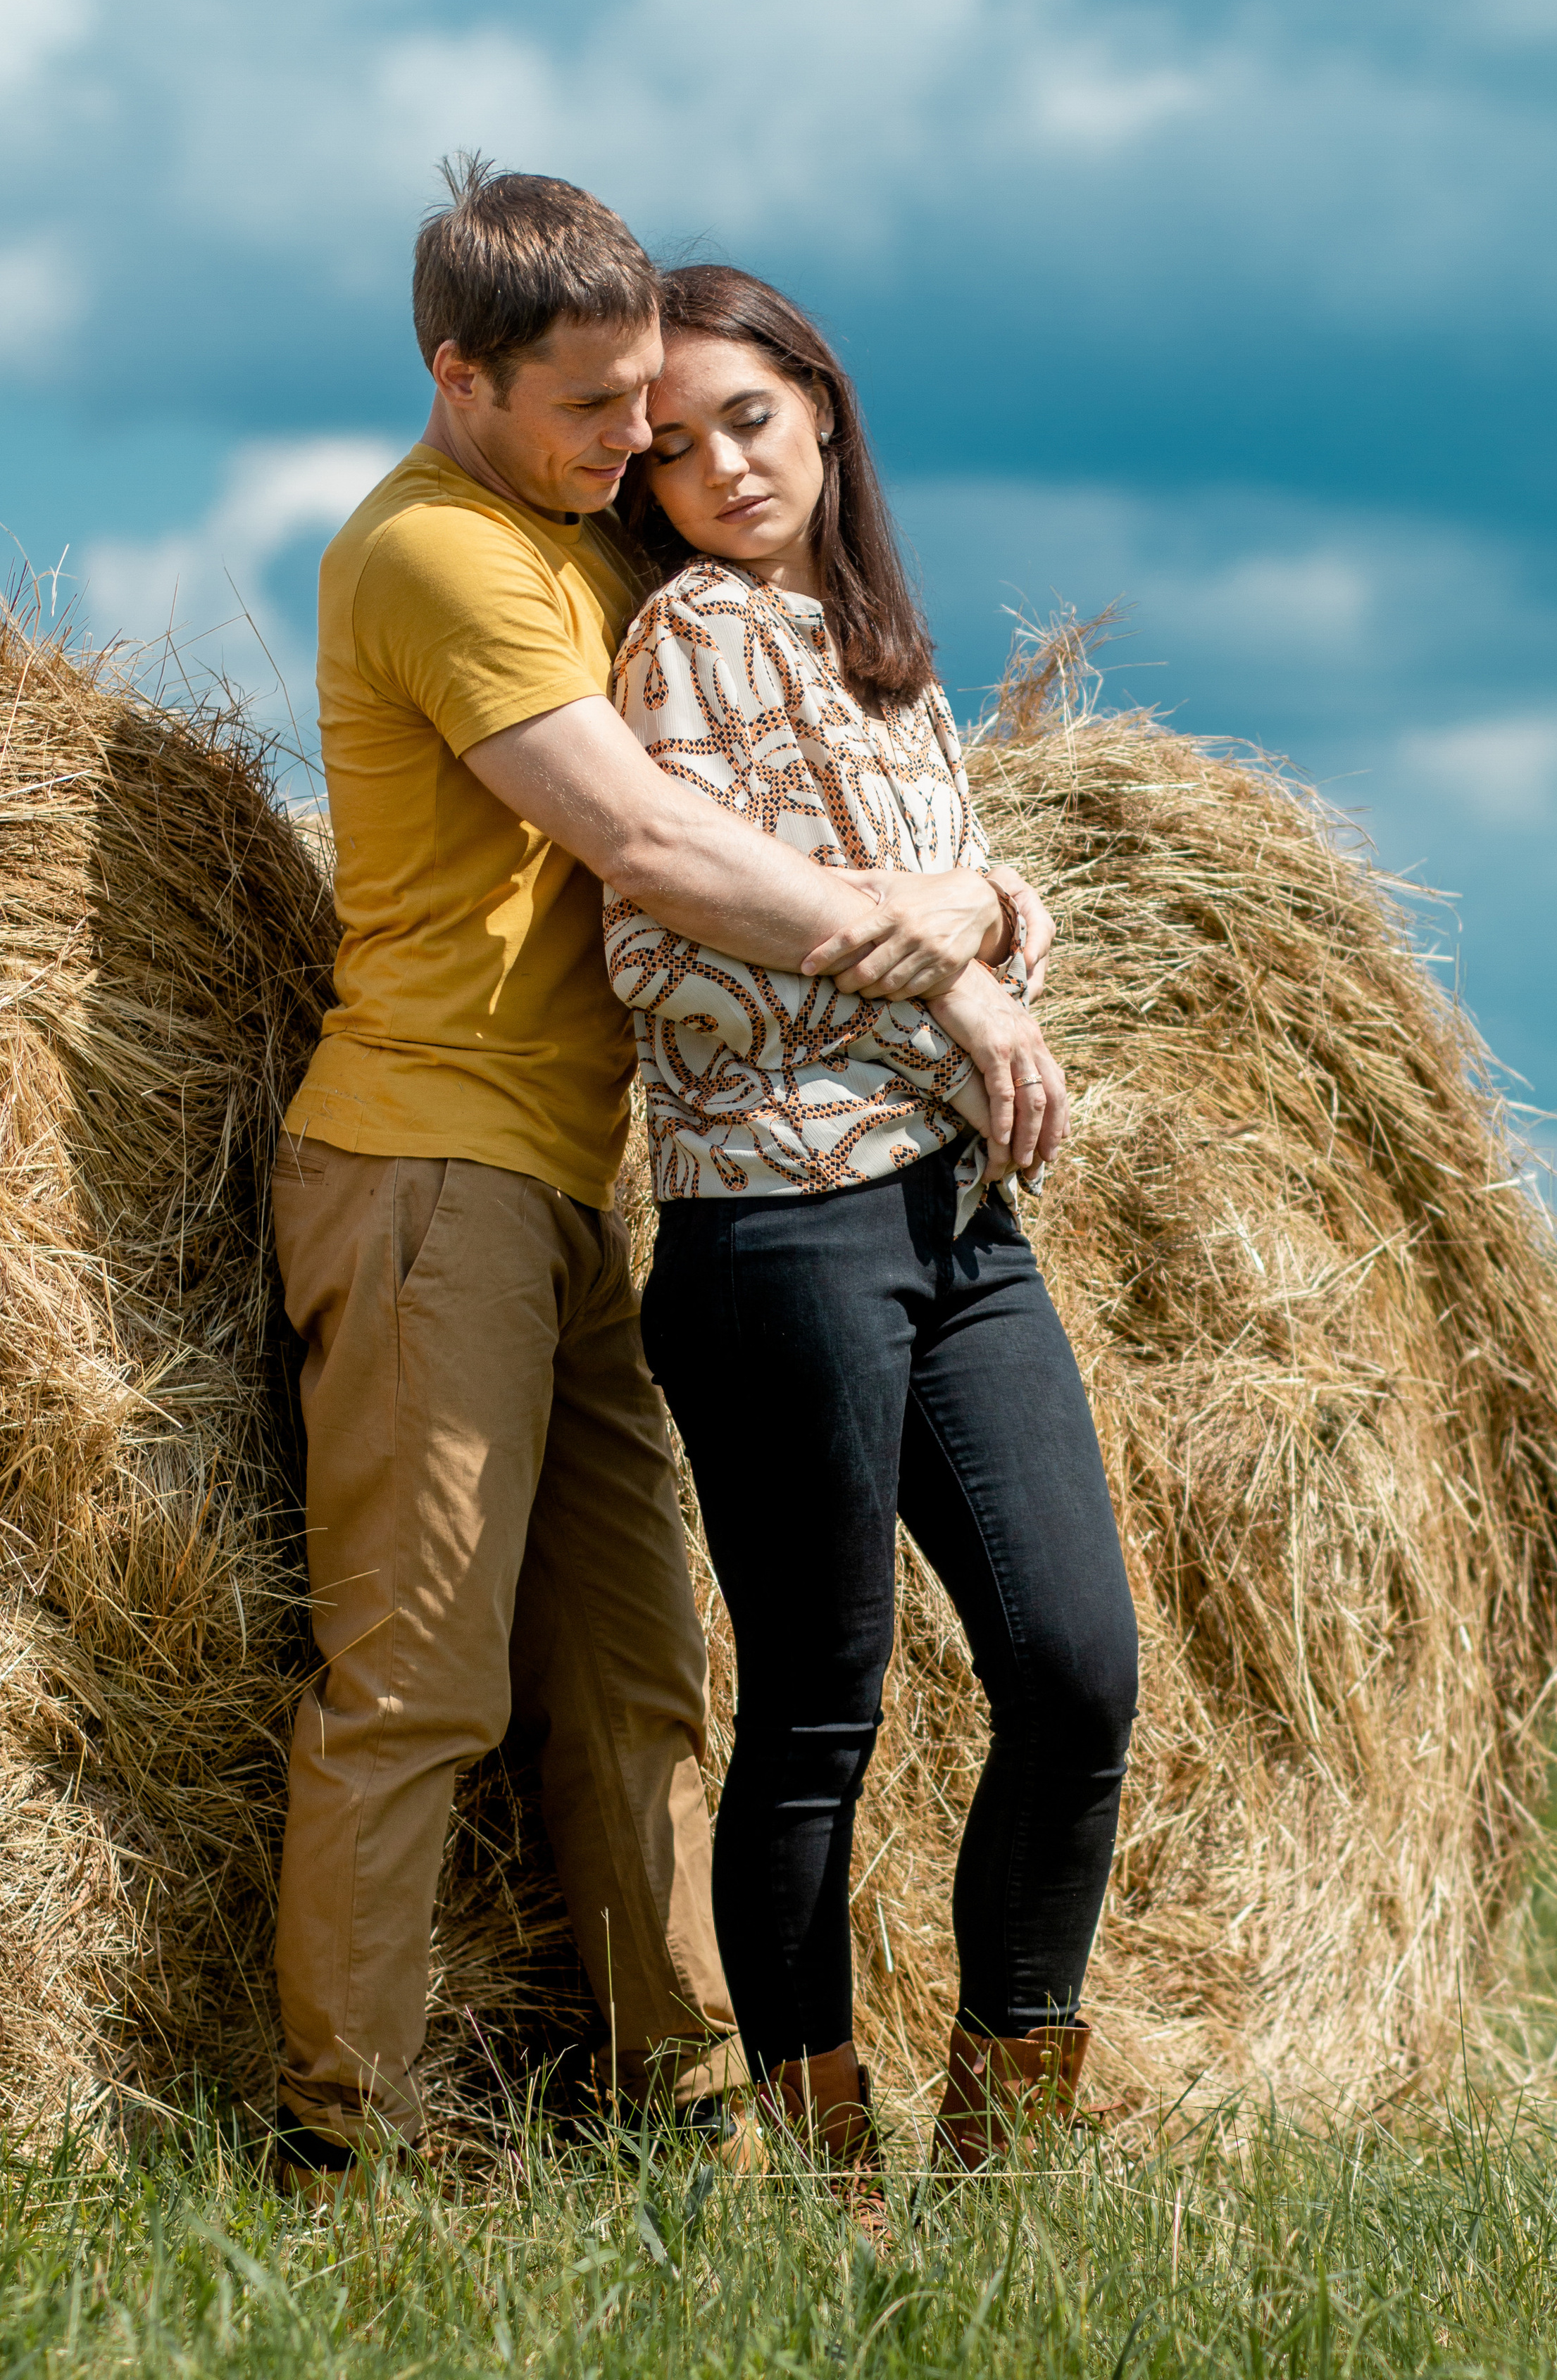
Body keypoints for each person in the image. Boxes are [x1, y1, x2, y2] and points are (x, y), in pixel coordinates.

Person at [272, 161, 1052, 2186]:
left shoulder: (580, 544)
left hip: (574, 1183)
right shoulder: (438, 557)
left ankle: (682, 2104)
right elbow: (660, 849)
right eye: (597, 408)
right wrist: (957, 973)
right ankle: (339, 2147)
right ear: (459, 377)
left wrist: (988, 882)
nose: (640, 446)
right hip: (428, 1165)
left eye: (658, 404)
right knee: (421, 1684)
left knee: (639, 1680)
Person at [606, 264, 1140, 2177]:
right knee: (820, 1715)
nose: (721, 470)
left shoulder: (875, 642)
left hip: (966, 1226)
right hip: (779, 1233)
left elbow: (985, 887)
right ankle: (831, 2186)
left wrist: (984, 922)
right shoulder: (678, 646)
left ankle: (999, 2142)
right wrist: (938, 961)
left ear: (822, 409)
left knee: (1078, 1670)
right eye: (669, 452)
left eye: (749, 419)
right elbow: (660, 950)